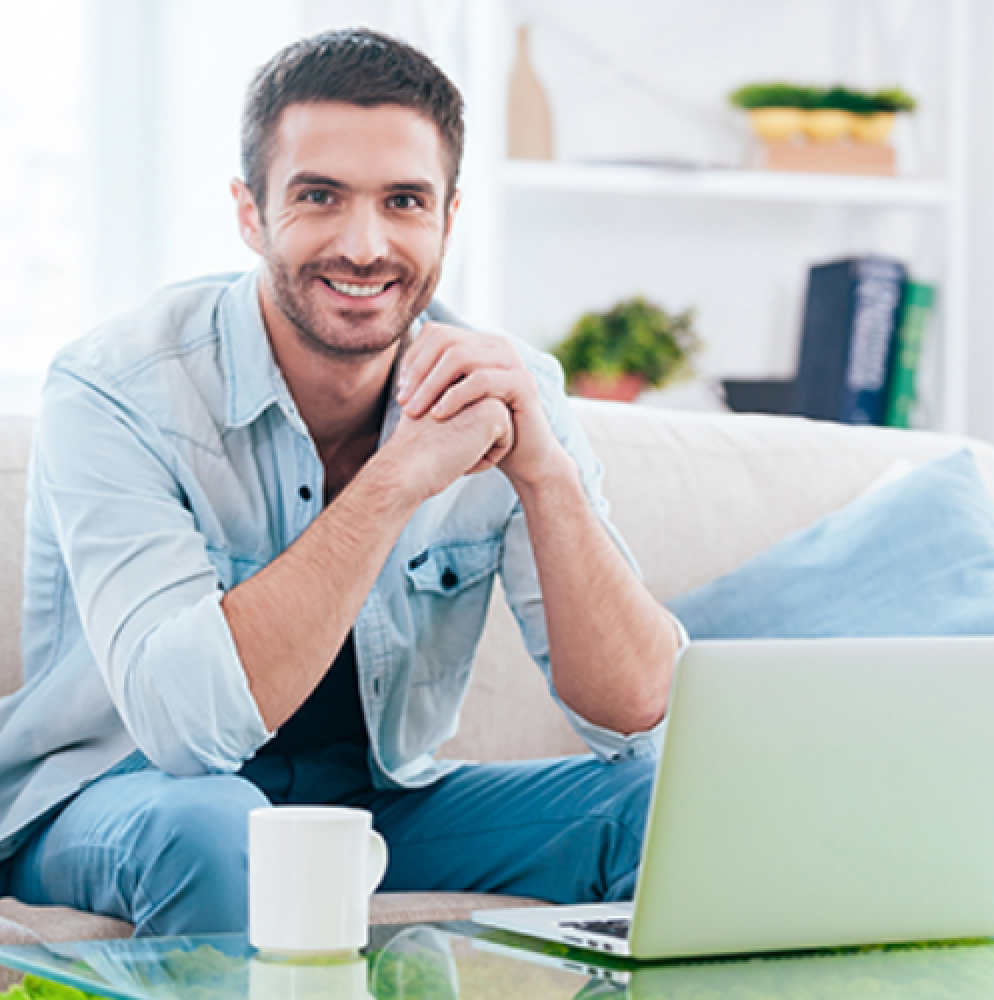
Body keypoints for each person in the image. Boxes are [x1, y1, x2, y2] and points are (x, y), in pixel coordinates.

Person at [0, 28, 681, 936]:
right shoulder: (116, 390)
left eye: (405, 201)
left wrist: (545, 473)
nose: (365, 246)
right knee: (219, 828)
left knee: (661, 810)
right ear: (251, 213)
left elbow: (636, 718)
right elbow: (182, 731)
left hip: (374, 805)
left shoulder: (506, 388)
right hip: (124, 797)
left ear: (447, 216)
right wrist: (398, 477)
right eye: (319, 197)